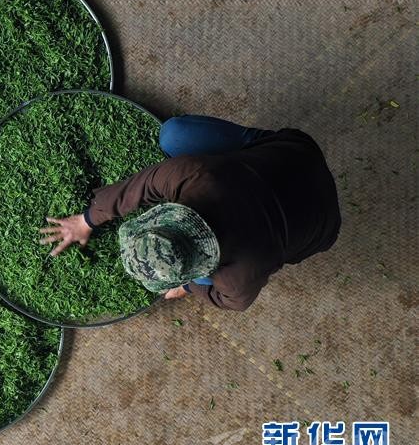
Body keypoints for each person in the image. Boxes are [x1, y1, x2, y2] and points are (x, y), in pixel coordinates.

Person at [38, 115, 341, 311]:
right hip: (293, 153)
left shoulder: (237, 277)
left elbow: (231, 302)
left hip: (322, 221)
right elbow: (138, 187)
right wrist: (87, 219)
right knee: (174, 134)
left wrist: (187, 285)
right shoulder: (193, 175)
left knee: (209, 283)